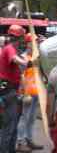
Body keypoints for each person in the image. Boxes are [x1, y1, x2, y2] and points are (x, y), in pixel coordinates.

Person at [0, 25, 30, 153]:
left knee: (13, 126)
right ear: (20, 38)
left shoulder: (12, 49)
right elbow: (15, 59)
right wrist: (27, 63)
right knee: (9, 127)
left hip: (12, 91)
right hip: (8, 92)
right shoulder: (9, 49)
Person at [15, 33, 44, 152]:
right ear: (27, 44)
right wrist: (23, 93)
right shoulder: (23, 58)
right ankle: (20, 142)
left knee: (31, 119)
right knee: (24, 118)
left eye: (36, 42)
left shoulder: (36, 57)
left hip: (36, 92)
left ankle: (29, 140)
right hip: (27, 93)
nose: (36, 44)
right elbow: (20, 76)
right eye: (33, 42)